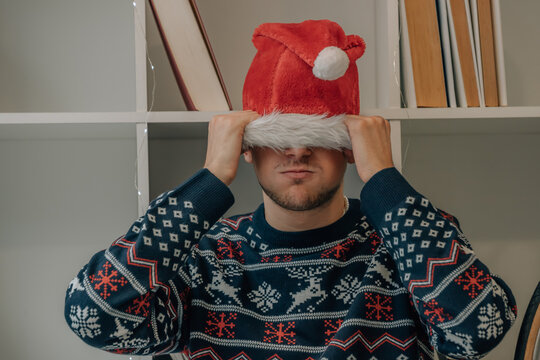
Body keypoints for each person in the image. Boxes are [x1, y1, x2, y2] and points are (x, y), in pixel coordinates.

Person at [64, 20, 517, 359]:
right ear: (245, 148)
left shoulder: (406, 239)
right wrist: (205, 185)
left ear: (349, 146)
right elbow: (97, 319)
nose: (297, 150)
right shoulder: (204, 254)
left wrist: (383, 179)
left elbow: (477, 330)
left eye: (320, 135)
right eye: (277, 135)